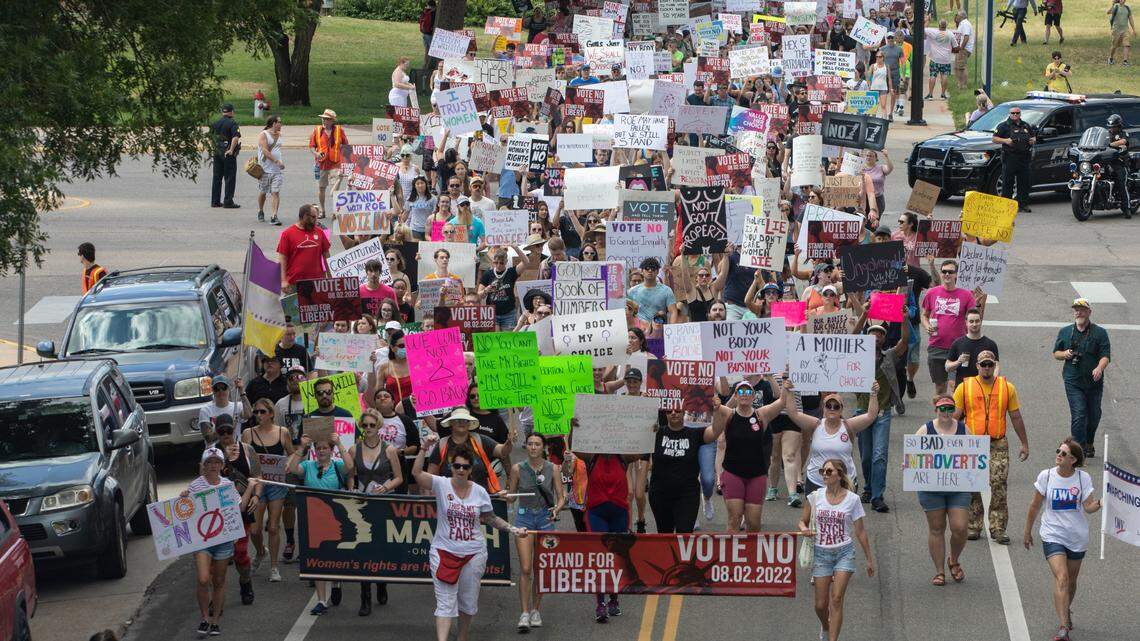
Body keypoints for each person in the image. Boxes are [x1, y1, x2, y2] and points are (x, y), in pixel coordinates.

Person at [412, 433, 526, 641]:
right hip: (443, 552)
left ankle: (462, 637)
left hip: (473, 554)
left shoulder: (480, 492)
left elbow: (490, 518)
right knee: (445, 603)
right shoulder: (441, 484)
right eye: (457, 466)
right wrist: (423, 448)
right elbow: (417, 473)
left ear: (471, 469)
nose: (461, 470)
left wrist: (512, 529)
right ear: (451, 467)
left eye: (465, 467)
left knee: (468, 601)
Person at [1022, 438, 1101, 641]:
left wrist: (1101, 502)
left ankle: (1066, 611)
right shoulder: (1046, 476)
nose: (1059, 454)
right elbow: (1034, 506)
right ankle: (1063, 626)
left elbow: (1088, 507)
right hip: (1052, 534)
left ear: (1073, 460)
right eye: (1058, 451)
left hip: (1077, 537)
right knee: (1062, 577)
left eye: (1064, 453)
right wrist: (1027, 531)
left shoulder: (1083, 479)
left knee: (1071, 582)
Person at [953, 350, 1030, 544]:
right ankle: (973, 525)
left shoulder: (1007, 387)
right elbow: (954, 416)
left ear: (995, 365)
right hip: (972, 443)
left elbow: (1016, 416)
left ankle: (998, 528)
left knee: (998, 484)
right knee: (972, 485)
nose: (987, 368)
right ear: (977, 366)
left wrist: (1024, 443)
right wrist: (946, 441)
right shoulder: (965, 387)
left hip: (998, 443)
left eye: (990, 364)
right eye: (983, 364)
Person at [796, 459, 873, 641]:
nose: (824, 474)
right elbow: (802, 521)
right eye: (823, 471)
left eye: (829, 471)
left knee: (836, 599)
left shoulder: (853, 500)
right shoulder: (815, 496)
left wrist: (869, 559)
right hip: (821, 554)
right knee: (820, 605)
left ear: (840, 474)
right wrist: (803, 529)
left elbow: (860, 531)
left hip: (844, 553)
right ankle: (826, 625)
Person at [187, 447, 259, 637]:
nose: (213, 465)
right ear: (204, 465)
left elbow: (240, 507)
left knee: (219, 581)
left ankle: (215, 621)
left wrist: (251, 487)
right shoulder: (195, 485)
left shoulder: (227, 484)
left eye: (217, 462)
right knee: (203, 579)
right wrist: (183, 499)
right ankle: (204, 618)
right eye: (209, 462)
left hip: (223, 540)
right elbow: (187, 512)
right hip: (203, 540)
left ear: (222, 465)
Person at [711, 380, 795, 532]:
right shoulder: (728, 413)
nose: (744, 395)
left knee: (754, 522)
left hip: (757, 475)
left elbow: (782, 402)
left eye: (748, 392)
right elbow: (715, 429)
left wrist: (786, 387)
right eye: (740, 392)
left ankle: (750, 555)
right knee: (734, 519)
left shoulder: (761, 415)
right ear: (735, 396)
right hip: (732, 473)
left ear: (753, 396)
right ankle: (731, 555)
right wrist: (716, 407)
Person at [287, 434, 354, 615]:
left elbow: (350, 467)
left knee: (334, 556)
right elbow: (292, 468)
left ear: (331, 451)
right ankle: (322, 601)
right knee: (317, 558)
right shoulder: (308, 466)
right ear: (315, 451)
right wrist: (302, 447)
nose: (322, 451)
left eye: (325, 448)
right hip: (313, 518)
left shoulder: (337, 465)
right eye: (319, 448)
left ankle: (336, 582)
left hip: (334, 519)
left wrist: (339, 442)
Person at [348, 408, 404, 615]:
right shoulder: (354, 449)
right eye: (365, 425)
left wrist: (386, 487)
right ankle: (365, 597)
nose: (369, 428)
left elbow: (399, 477)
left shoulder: (389, 450)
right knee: (363, 548)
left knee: (380, 546)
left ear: (379, 426)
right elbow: (351, 474)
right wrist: (352, 488)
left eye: (372, 425)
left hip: (383, 504)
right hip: (362, 504)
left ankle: (381, 581)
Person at [508, 433, 565, 632]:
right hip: (524, 518)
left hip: (544, 519)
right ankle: (524, 613)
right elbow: (510, 497)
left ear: (544, 447)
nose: (533, 447)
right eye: (530, 444)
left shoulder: (553, 469)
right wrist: (503, 494)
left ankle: (535, 610)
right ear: (526, 447)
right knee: (525, 568)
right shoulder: (517, 469)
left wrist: (556, 510)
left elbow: (561, 497)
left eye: (537, 444)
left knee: (539, 567)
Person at [916, 396, 973, 586]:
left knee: (960, 527)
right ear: (936, 410)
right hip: (932, 488)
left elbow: (975, 455)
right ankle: (939, 571)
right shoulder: (926, 430)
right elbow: (913, 455)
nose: (946, 412)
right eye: (942, 408)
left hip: (958, 486)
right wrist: (908, 465)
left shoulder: (964, 430)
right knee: (937, 528)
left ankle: (953, 559)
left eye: (950, 408)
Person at [241, 398, 294, 583]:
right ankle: (261, 551)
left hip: (277, 483)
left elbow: (292, 452)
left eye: (262, 412)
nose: (258, 415)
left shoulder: (282, 432)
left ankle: (273, 567)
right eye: (256, 412)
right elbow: (243, 459)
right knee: (254, 530)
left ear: (271, 414)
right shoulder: (248, 434)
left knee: (273, 526)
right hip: (257, 484)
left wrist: (288, 463)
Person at [858, 319, 909, 513]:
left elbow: (904, 342)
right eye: (873, 333)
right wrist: (863, 314)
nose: (876, 336)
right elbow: (851, 337)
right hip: (862, 412)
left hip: (883, 412)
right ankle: (868, 488)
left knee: (879, 455)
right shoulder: (858, 356)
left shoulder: (889, 357)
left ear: (884, 339)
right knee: (866, 456)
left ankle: (877, 496)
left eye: (880, 334)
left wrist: (903, 320)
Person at [1051, 298, 1110, 458]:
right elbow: (1056, 353)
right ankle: (1078, 449)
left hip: (1094, 383)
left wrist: (1099, 368)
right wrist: (1065, 354)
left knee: (1094, 414)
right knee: (1079, 413)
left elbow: (1105, 356)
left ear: (1089, 312)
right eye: (1076, 309)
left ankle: (1089, 442)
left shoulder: (1100, 333)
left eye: (1082, 309)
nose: (1079, 312)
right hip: (1073, 381)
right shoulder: (1065, 332)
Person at [921, 259, 982, 395]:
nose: (947, 274)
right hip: (936, 346)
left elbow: (975, 320)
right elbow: (924, 315)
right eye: (944, 272)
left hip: (958, 347)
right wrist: (927, 326)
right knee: (939, 388)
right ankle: (942, 415)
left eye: (950, 272)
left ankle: (956, 415)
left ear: (957, 275)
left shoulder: (966, 295)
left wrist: (977, 305)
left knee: (955, 386)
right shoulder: (932, 293)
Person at [427, 407, 513, 494]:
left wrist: (509, 442)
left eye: (466, 420)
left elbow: (502, 452)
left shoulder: (479, 439)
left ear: (469, 424)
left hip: (479, 499)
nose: (462, 422)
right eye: (457, 420)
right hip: (450, 500)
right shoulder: (442, 444)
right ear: (451, 423)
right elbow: (431, 475)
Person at [992, 104, 1036, 213]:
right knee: (1008, 182)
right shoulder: (1003, 126)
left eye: (1017, 113)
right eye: (1013, 113)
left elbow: (1033, 136)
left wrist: (1032, 140)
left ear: (1020, 114)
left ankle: (1023, 204)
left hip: (1024, 157)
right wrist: (1005, 141)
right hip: (1010, 157)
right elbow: (994, 139)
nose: (1015, 115)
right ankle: (1006, 206)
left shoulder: (1025, 125)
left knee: (1024, 182)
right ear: (1009, 114)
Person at [277, 204, 331, 290]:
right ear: (305, 216)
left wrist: (330, 278)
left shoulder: (320, 232)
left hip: (318, 284)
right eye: (313, 217)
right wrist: (283, 280)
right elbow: (282, 259)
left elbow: (326, 256)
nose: (316, 220)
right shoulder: (287, 234)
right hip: (294, 284)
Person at [309, 109, 350, 216]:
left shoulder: (339, 131)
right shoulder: (317, 130)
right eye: (323, 118)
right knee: (321, 188)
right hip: (321, 163)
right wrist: (316, 153)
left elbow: (346, 146)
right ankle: (322, 211)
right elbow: (312, 146)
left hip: (335, 163)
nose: (324, 121)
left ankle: (336, 211)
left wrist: (345, 161)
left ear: (332, 121)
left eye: (326, 119)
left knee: (335, 190)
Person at [945, 308, 999, 385]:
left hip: (983, 387)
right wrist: (958, 362)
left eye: (977, 321)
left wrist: (992, 382)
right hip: (963, 387)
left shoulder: (990, 344)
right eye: (971, 321)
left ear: (981, 322)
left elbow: (996, 366)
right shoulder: (957, 343)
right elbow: (947, 367)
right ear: (966, 323)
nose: (974, 324)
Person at [627, 257, 679, 327]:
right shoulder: (632, 291)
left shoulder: (666, 290)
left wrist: (672, 329)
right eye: (647, 268)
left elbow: (673, 312)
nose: (650, 270)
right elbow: (626, 311)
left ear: (657, 271)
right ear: (642, 271)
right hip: (638, 330)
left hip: (658, 328)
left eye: (653, 268)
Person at [198, 375, 251, 444]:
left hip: (234, 450)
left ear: (229, 389)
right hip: (215, 452)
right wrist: (228, 427)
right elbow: (208, 438)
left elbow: (249, 414)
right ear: (213, 391)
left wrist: (241, 391)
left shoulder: (238, 406)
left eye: (224, 387)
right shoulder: (205, 410)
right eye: (217, 388)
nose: (221, 391)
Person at [210, 103, 241, 209]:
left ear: (223, 112)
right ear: (231, 111)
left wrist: (214, 148)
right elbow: (235, 137)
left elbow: (210, 138)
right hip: (228, 154)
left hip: (217, 153)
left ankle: (215, 201)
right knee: (230, 178)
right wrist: (231, 150)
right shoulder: (233, 123)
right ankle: (228, 201)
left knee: (217, 177)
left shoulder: (216, 123)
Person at [257, 115, 285, 225]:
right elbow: (265, 151)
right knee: (263, 192)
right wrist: (276, 161)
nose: (281, 124)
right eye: (279, 122)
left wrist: (279, 163)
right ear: (273, 123)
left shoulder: (280, 135)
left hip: (277, 171)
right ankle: (260, 210)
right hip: (264, 169)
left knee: (275, 192)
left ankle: (274, 216)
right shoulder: (263, 135)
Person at [1107, 113, 1133, 216]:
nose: (1112, 129)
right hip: (1108, 162)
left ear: (1119, 126)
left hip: (1121, 163)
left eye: (1114, 127)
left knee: (1122, 184)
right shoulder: (1106, 134)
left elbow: (1123, 141)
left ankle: (1127, 208)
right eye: (1110, 127)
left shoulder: (1123, 134)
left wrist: (1110, 144)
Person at [923, 20, 954, 100]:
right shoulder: (950, 34)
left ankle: (930, 95)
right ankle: (943, 95)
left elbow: (923, 29)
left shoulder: (933, 32)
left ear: (939, 25)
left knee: (933, 75)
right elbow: (955, 46)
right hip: (946, 59)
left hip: (935, 59)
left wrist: (927, 20)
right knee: (944, 75)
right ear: (946, 25)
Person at [1107, 0, 1135, 66]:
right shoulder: (1115, 7)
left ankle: (1125, 61)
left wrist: (1133, 29)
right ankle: (1110, 58)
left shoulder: (1127, 8)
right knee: (1114, 46)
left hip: (1125, 30)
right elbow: (1108, 12)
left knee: (1127, 45)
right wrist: (1113, 5)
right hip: (1116, 30)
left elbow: (1131, 19)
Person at [953, 10, 974, 88]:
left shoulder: (965, 24)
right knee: (957, 66)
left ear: (961, 16)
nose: (956, 16)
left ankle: (963, 85)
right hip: (961, 48)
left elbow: (966, 37)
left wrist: (961, 48)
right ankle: (959, 84)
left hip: (964, 49)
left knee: (962, 67)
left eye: (957, 15)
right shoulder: (962, 23)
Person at [419, 0, 436, 66]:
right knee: (432, 51)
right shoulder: (434, 12)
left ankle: (425, 64)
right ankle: (429, 65)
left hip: (424, 33)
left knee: (426, 50)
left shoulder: (425, 11)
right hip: (430, 34)